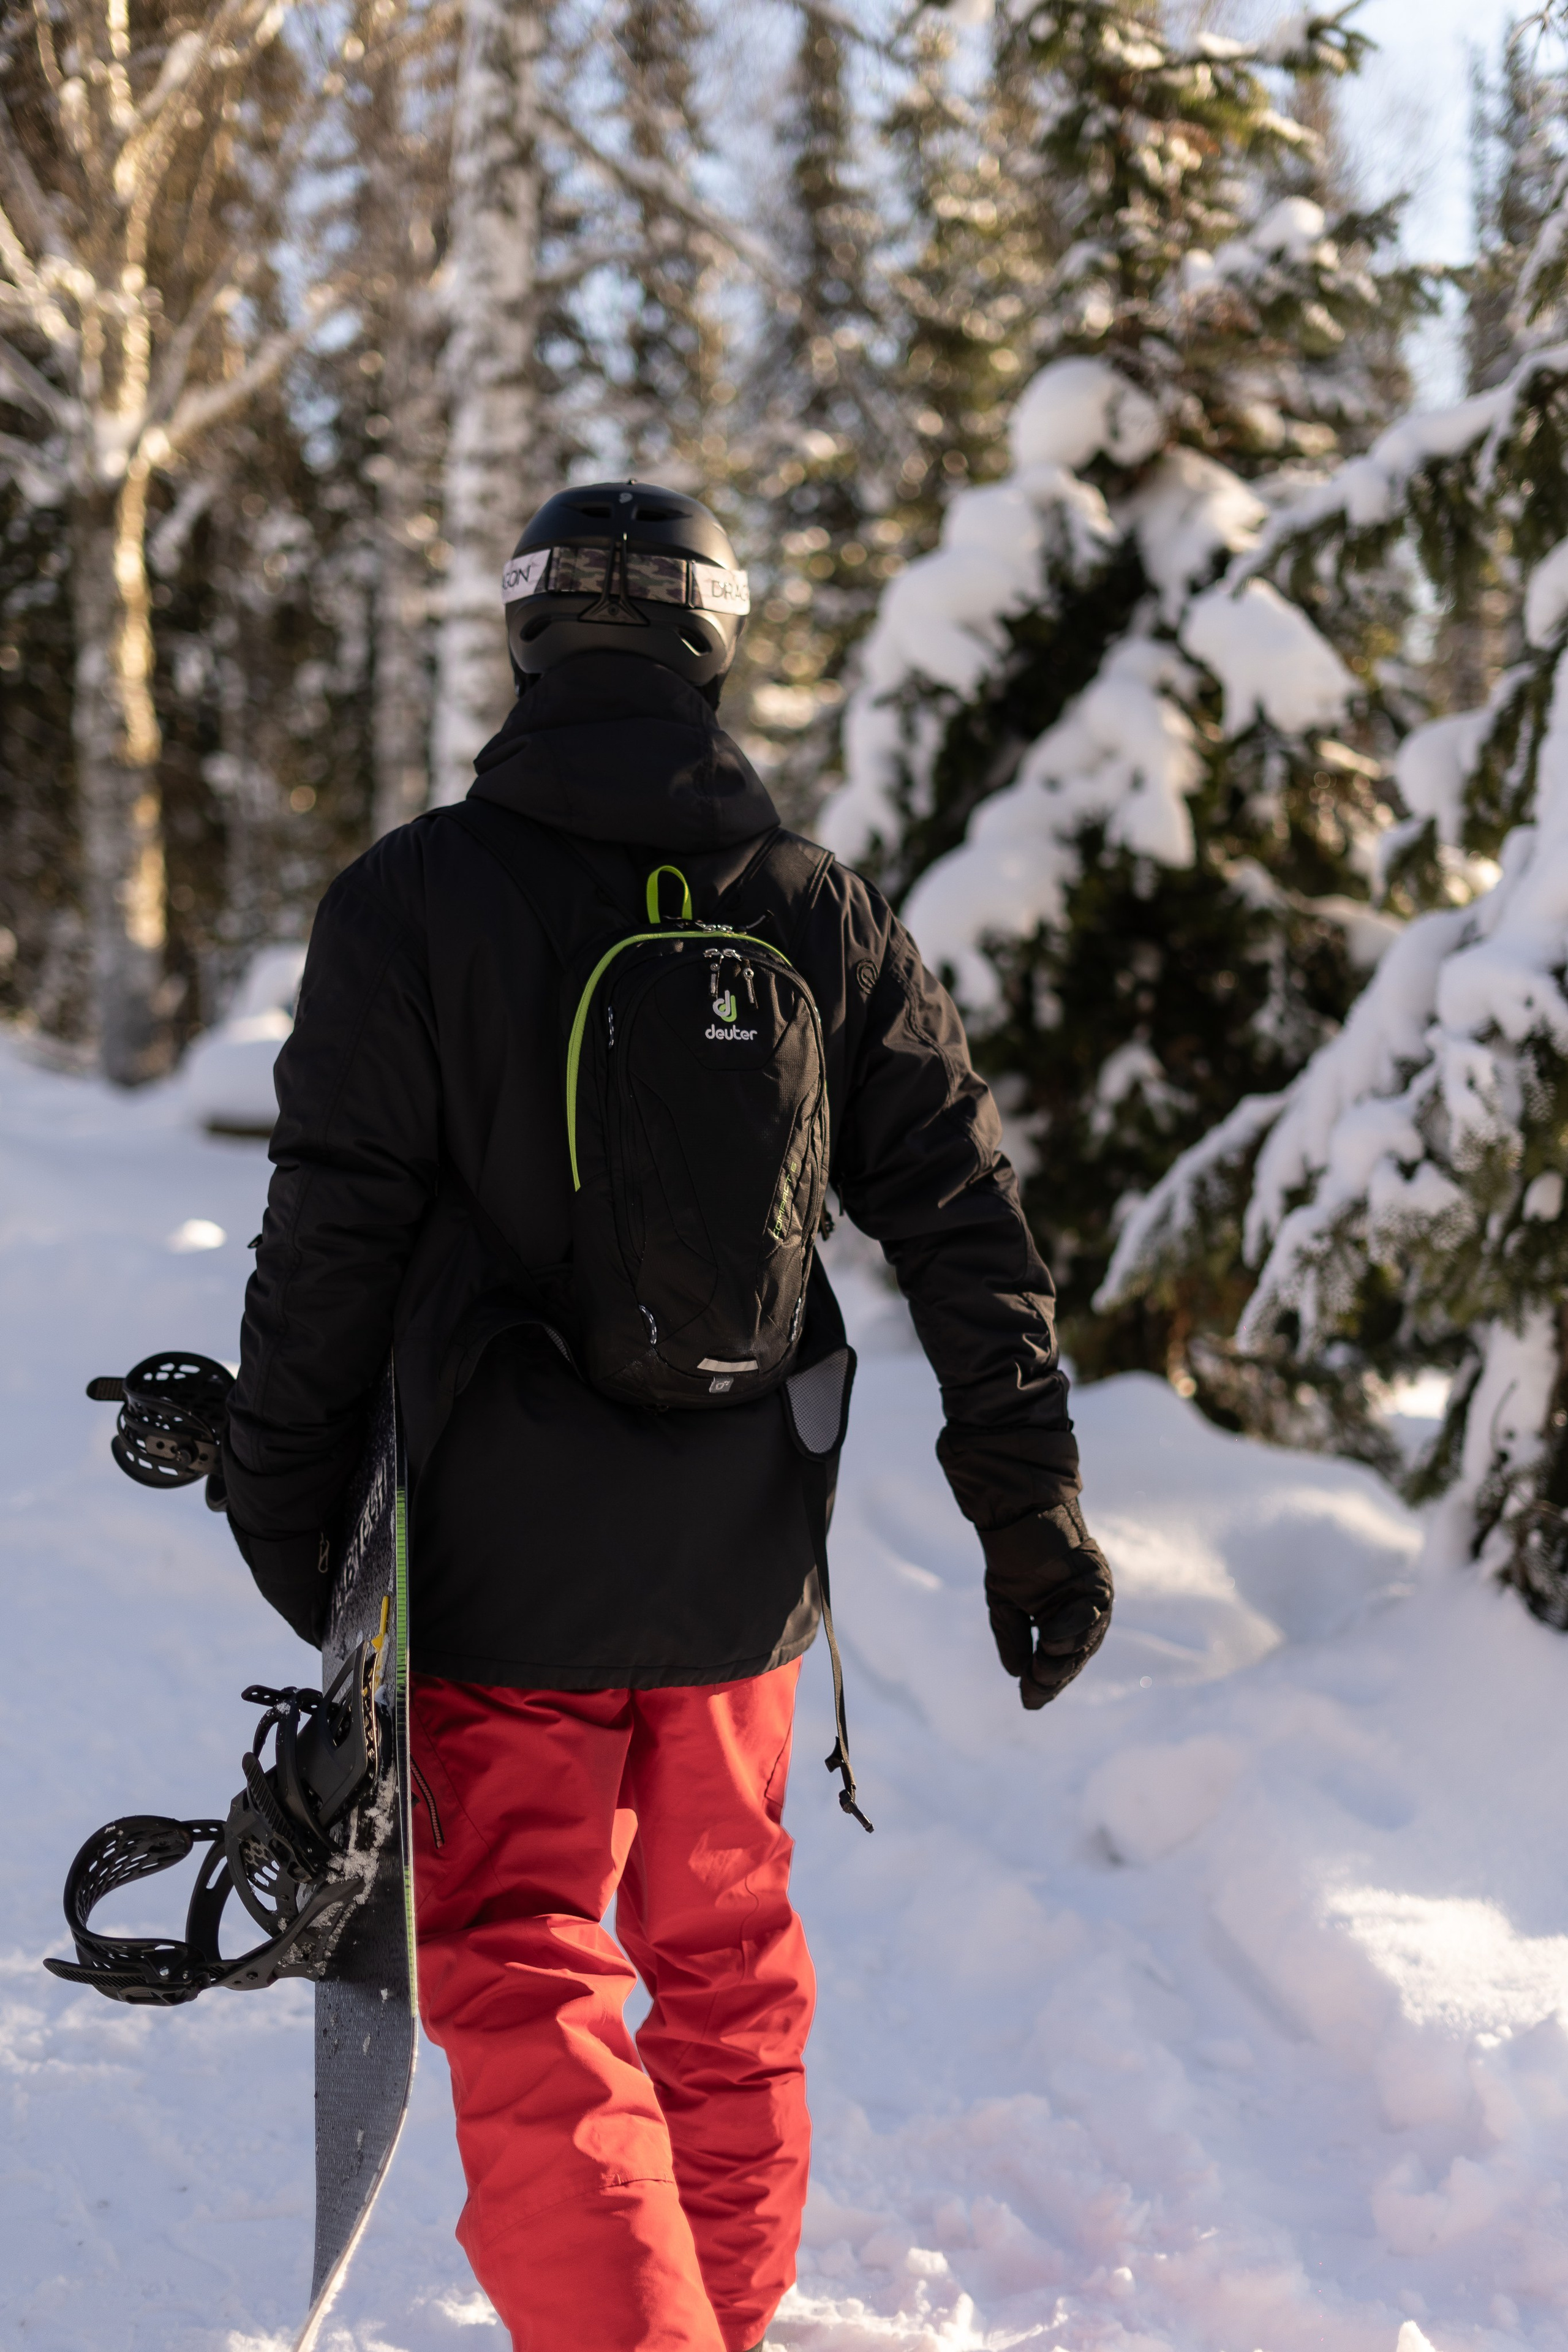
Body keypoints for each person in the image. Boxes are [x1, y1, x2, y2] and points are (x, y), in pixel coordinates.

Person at [222, 481, 1113, 2352]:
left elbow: (331, 1235)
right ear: (712, 646)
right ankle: (720, 2314)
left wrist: (289, 1505)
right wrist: (1029, 1512)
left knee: (524, 1964)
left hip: (492, 1582)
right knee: (722, 1963)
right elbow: (966, 1224)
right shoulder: (818, 912)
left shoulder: (411, 903)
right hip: (738, 1581)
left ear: (534, 637)